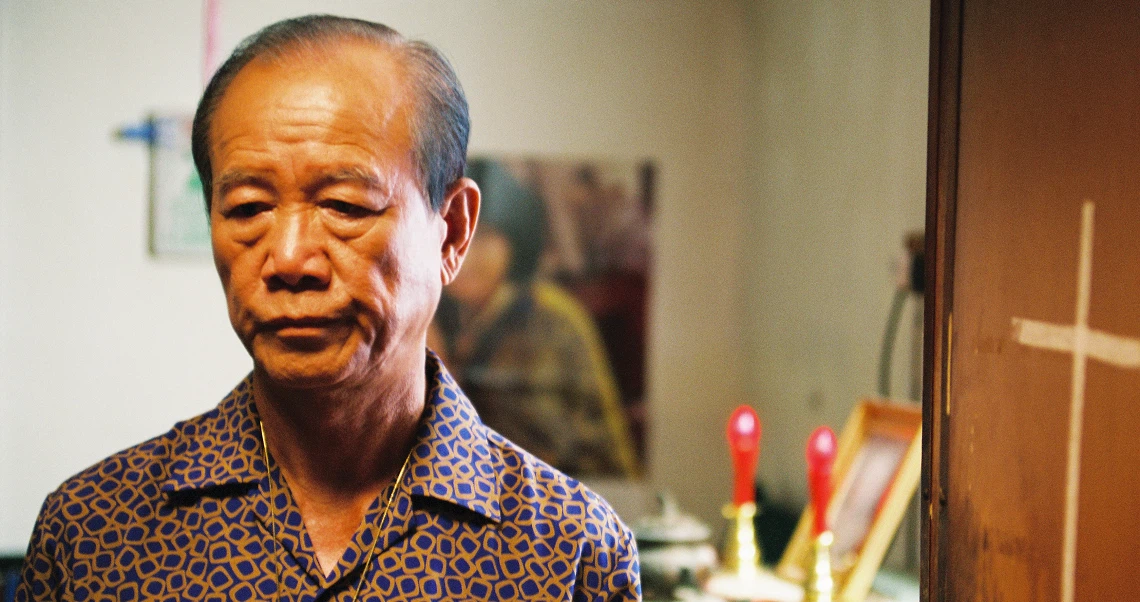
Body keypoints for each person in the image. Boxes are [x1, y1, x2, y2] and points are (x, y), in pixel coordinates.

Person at [16, 15, 639, 602]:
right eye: (248, 209)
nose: (288, 259)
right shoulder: (95, 539)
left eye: (344, 206)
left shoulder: (568, 555)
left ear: (450, 232)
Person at [432, 159, 640, 478]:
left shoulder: (553, 317)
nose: (466, 255)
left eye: (484, 238)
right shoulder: (437, 311)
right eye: (454, 236)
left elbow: (583, 445)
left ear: (515, 242)